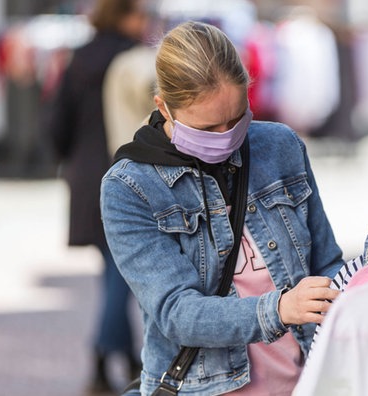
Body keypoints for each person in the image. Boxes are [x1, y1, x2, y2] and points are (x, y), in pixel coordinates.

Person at [100, 21, 344, 395]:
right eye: (208, 127)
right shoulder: (130, 188)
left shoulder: (280, 146)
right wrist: (279, 309)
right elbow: (177, 312)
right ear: (164, 108)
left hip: (308, 383)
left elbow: (326, 262)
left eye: (236, 119)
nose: (226, 138)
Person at [46, 0, 150, 394]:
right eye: (140, 14)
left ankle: (121, 360)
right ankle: (104, 357)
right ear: (122, 15)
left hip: (86, 175)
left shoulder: (79, 57)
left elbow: (57, 122)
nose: (145, 21)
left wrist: (71, 159)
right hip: (125, 172)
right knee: (119, 276)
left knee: (113, 273)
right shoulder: (134, 59)